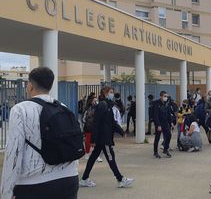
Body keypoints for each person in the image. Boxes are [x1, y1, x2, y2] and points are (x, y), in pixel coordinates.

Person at [1, 67, 79, 199]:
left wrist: (6, 193)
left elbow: (14, 153)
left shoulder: (20, 110)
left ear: (30, 86)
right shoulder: (63, 106)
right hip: (69, 179)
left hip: (34, 184)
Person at [80, 86, 134, 188]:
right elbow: (96, 123)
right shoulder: (103, 105)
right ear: (105, 93)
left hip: (104, 137)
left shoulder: (107, 105)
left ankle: (84, 179)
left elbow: (112, 122)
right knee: (110, 157)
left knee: (93, 158)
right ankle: (120, 179)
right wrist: (93, 139)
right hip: (104, 138)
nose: (112, 94)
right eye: (111, 92)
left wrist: (122, 132)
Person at [83, 96, 103, 163]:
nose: (95, 102)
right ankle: (87, 153)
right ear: (91, 102)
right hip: (89, 127)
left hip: (96, 128)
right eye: (94, 101)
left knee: (97, 142)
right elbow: (84, 119)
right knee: (88, 141)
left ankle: (97, 156)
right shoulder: (88, 109)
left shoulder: (99, 109)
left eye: (96, 100)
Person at [153, 91, 173, 158]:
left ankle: (165, 149)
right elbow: (155, 115)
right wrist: (158, 125)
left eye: (167, 96)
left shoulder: (166, 104)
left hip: (165, 123)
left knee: (169, 135)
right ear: (161, 96)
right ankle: (155, 152)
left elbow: (168, 114)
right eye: (165, 96)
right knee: (157, 138)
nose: (166, 98)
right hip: (159, 123)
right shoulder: (157, 104)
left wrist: (171, 122)